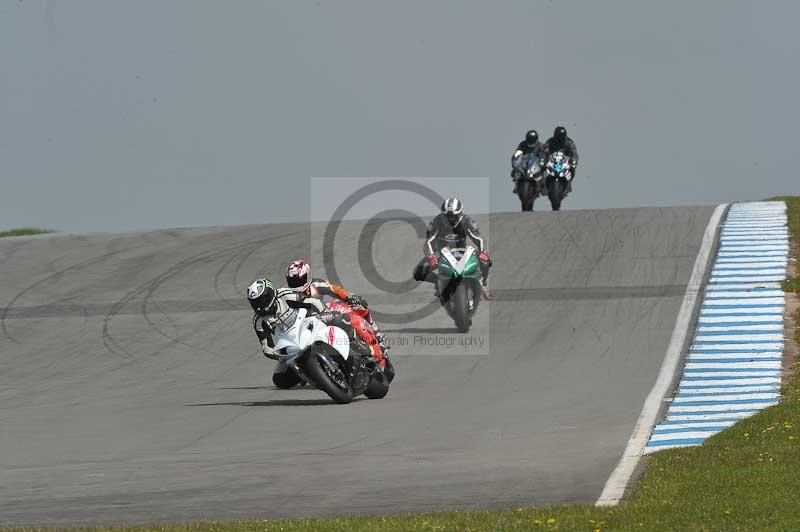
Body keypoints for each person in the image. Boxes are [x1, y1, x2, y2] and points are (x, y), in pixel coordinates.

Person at [285, 259, 390, 356]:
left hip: (327, 315)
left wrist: (348, 297)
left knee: (357, 306)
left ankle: (377, 336)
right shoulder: (288, 296)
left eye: (299, 280)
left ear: (307, 276)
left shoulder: (315, 284)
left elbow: (333, 289)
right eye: (293, 282)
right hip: (308, 328)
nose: (296, 284)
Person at [412, 197, 493, 300]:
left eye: (453, 216)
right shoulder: (436, 222)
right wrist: (430, 256)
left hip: (463, 251)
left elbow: (479, 239)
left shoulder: (468, 221)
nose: (450, 219)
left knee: (485, 262)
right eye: (447, 216)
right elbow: (428, 242)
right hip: (441, 253)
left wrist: (483, 252)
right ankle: (439, 283)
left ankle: (483, 284)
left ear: (460, 214)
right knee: (418, 272)